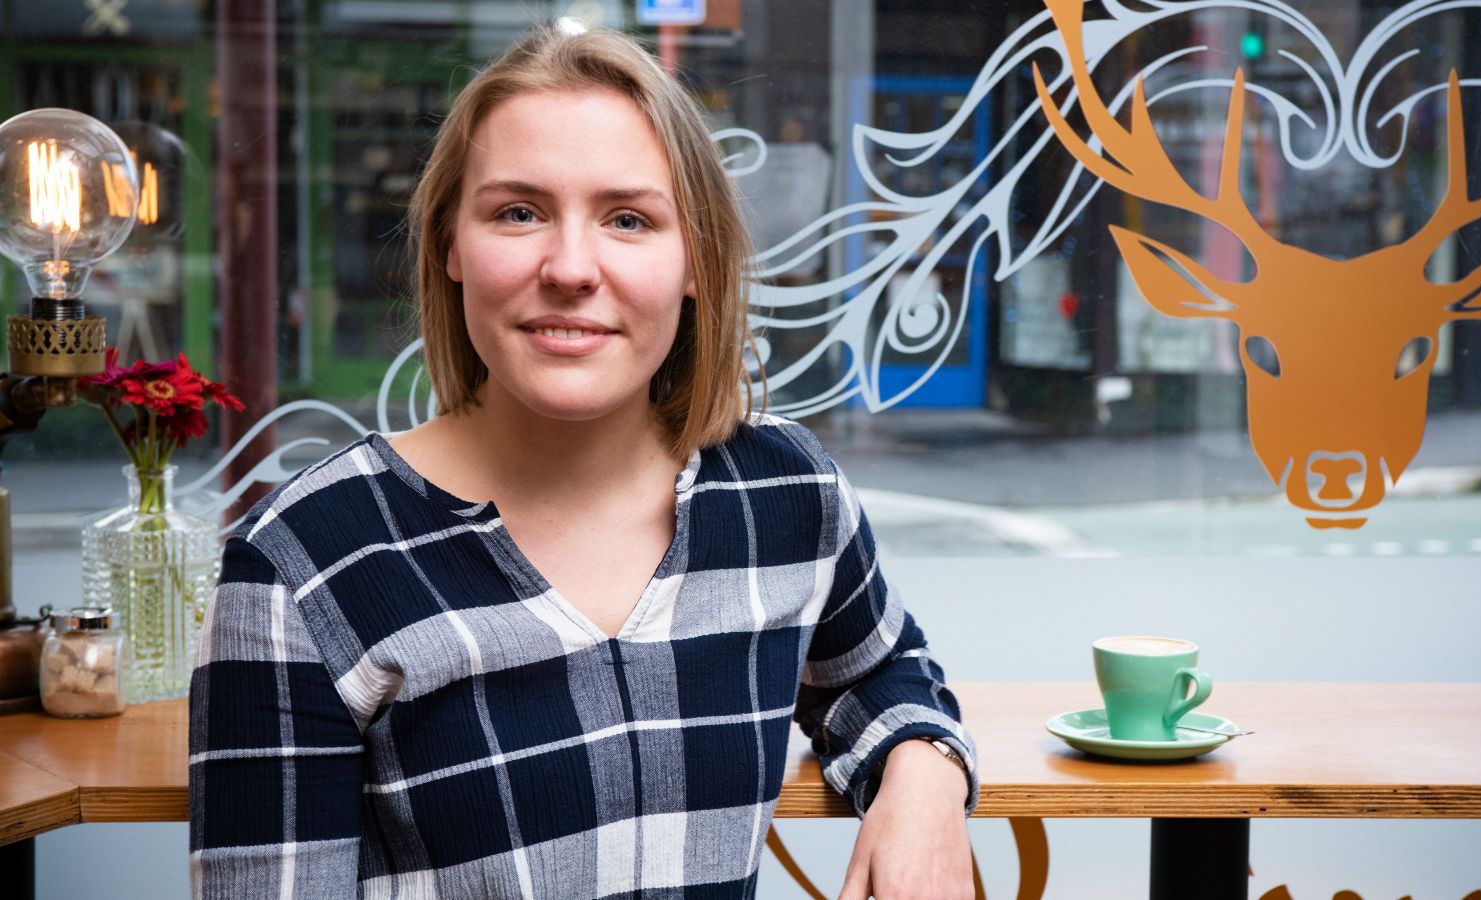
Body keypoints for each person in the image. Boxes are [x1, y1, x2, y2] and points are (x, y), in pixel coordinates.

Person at [188, 24, 978, 900]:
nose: (570, 268)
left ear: (695, 261)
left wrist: (924, 775)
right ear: (450, 246)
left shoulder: (782, 492)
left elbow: (881, 670)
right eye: (517, 212)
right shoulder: (302, 563)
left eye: (628, 218)